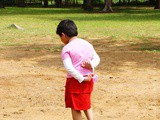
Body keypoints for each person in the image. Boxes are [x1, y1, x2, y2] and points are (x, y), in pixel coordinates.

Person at [56, 19, 100, 120]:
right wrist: (91, 65)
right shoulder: (87, 44)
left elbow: (69, 68)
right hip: (89, 79)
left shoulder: (67, 49)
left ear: (63, 35)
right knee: (86, 104)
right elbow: (97, 58)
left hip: (76, 81)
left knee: (75, 108)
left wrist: (81, 78)